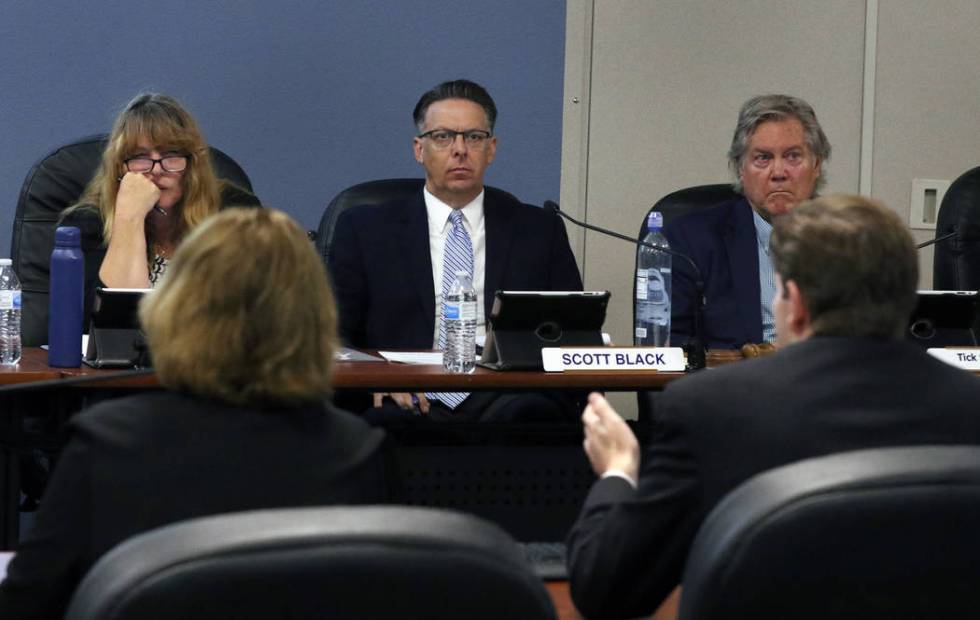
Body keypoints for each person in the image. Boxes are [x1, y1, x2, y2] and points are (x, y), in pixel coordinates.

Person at [566, 194, 980, 620]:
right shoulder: (971, 407)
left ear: (796, 304)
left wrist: (618, 470)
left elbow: (607, 588)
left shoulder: (710, 410)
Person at [0, 208, 393, 619]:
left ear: (176, 308)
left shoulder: (108, 443)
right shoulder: (360, 452)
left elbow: (28, 601)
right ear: (315, 317)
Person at [329, 79, 583, 422]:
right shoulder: (365, 229)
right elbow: (333, 335)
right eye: (443, 137)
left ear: (491, 149)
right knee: (384, 421)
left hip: (506, 394)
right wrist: (377, 379)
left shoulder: (538, 229)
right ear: (419, 149)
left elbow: (572, 333)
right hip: (403, 393)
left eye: (473, 137)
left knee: (533, 414)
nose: (459, 149)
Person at [62, 92, 260, 322]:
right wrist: (129, 217)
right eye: (139, 157)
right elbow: (112, 324)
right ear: (120, 168)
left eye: (171, 154)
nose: (156, 169)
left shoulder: (234, 214)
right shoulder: (87, 224)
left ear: (194, 164)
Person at [665, 94, 831, 349]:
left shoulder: (852, 240)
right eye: (763, 158)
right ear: (740, 168)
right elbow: (668, 347)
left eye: (793, 156)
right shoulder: (690, 239)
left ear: (817, 164)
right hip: (734, 383)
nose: (778, 173)